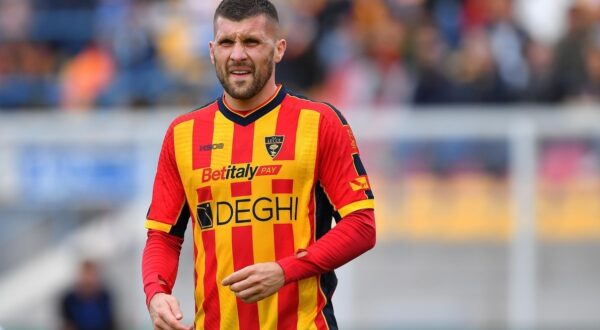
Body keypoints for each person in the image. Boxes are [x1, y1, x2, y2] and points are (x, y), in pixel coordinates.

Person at [141, 1, 376, 329]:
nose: (237, 54)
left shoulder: (320, 123)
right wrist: (156, 292)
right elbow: (163, 236)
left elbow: (362, 225)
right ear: (212, 51)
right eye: (226, 42)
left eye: (251, 42)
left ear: (279, 49)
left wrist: (285, 271)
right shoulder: (183, 134)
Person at [60, 259, 116, 330]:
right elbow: (67, 323)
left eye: (91, 274)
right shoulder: (69, 300)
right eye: (86, 274)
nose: (88, 279)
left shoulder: (105, 297)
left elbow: (110, 322)